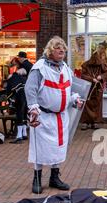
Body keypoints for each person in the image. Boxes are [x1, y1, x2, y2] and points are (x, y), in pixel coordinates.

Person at [24, 36, 82, 194]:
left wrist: (74, 99)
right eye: (57, 47)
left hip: (61, 117)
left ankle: (54, 178)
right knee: (40, 149)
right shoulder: (40, 68)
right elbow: (30, 89)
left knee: (58, 148)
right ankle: (37, 178)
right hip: (43, 116)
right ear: (50, 50)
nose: (61, 50)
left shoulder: (65, 68)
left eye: (63, 47)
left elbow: (67, 90)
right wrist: (33, 108)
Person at [80, 41, 107, 130]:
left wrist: (100, 77)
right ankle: (86, 122)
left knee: (97, 105)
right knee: (87, 105)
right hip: (88, 88)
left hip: (97, 89)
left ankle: (95, 122)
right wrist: (91, 79)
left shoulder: (102, 64)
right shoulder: (86, 65)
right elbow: (82, 75)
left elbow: (106, 73)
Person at [6, 58, 28, 144]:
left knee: (20, 113)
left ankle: (19, 136)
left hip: (19, 96)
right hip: (27, 96)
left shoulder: (14, 77)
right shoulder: (25, 78)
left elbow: (9, 89)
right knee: (24, 113)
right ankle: (24, 133)